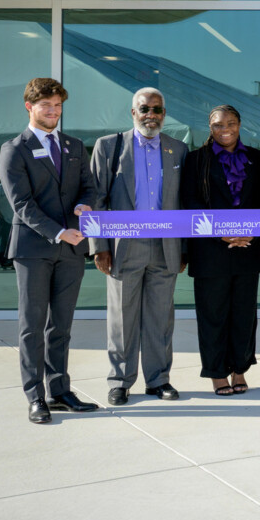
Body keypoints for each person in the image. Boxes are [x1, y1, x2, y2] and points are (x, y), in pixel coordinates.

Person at [0, 77, 98, 425]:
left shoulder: (74, 146)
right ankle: (35, 396)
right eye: (46, 106)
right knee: (32, 326)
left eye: (57, 106)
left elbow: (91, 186)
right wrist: (58, 232)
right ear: (30, 107)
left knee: (62, 325)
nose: (53, 111)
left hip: (71, 251)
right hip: (33, 249)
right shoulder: (15, 149)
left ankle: (60, 391)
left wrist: (86, 205)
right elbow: (21, 204)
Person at [89, 88, 187, 406]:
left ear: (164, 113)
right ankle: (120, 380)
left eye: (158, 110)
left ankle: (158, 380)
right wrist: (98, 246)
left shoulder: (178, 149)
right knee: (122, 317)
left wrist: (184, 248)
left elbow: (185, 204)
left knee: (160, 318)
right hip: (122, 247)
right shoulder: (109, 146)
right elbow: (96, 200)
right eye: (145, 109)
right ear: (133, 112)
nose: (151, 115)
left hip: (165, 246)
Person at [181, 105, 260, 397]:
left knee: (244, 315)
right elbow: (190, 203)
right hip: (210, 251)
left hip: (248, 247)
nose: (225, 129)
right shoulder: (196, 160)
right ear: (210, 127)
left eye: (231, 123)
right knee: (213, 315)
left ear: (240, 124)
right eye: (219, 124)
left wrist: (252, 232)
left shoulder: (257, 159)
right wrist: (221, 234)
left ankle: (239, 370)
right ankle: (217, 373)